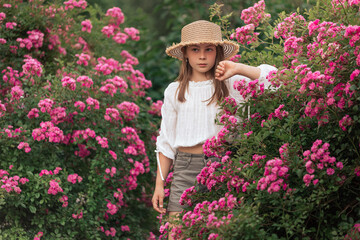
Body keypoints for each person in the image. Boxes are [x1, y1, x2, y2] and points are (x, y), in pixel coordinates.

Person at [151, 20, 277, 239]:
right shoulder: (174, 91)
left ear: (218, 53)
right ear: (185, 54)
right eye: (195, 49)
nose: (202, 56)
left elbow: (276, 82)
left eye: (209, 49)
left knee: (222, 232)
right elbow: (166, 141)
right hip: (185, 168)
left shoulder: (231, 83)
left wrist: (238, 67)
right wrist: (159, 185)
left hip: (224, 166)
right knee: (176, 233)